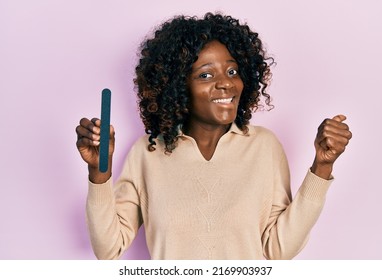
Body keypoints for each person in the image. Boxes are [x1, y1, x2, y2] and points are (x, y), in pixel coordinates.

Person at [75, 13, 352, 260]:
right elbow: (108, 249)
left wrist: (322, 166)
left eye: (232, 71)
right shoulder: (147, 153)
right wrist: (98, 171)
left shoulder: (264, 146)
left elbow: (278, 250)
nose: (226, 83)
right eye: (206, 75)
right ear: (176, 87)